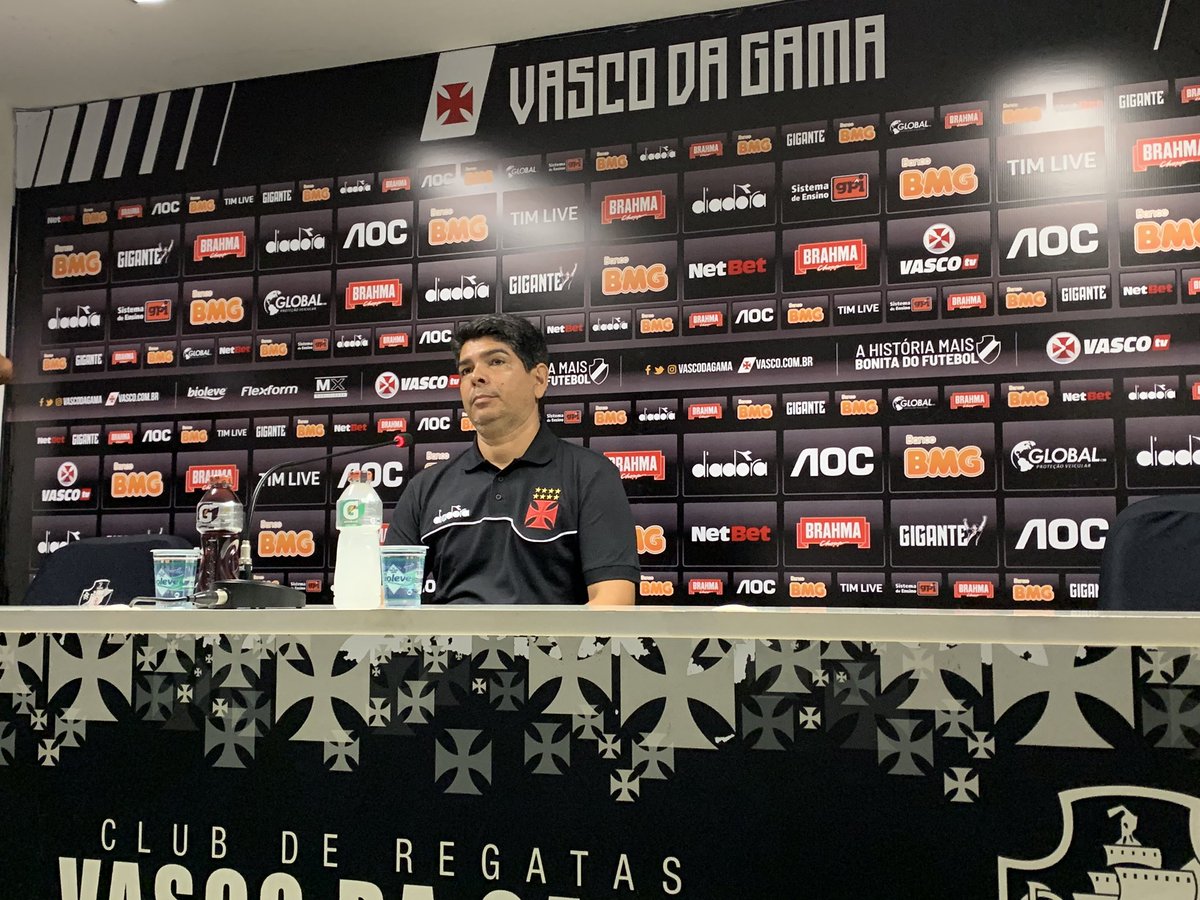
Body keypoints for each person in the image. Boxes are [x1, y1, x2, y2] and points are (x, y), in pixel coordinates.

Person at [388, 314, 638, 605]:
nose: (476, 376)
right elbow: (391, 600)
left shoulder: (589, 475)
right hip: (447, 637)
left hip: (551, 637)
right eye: (466, 369)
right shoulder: (425, 488)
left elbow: (613, 602)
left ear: (539, 379)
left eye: (496, 361)